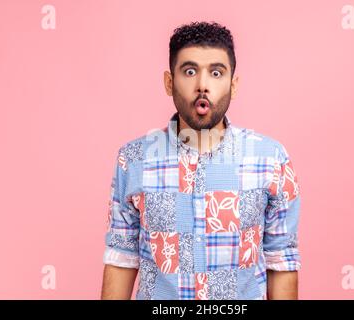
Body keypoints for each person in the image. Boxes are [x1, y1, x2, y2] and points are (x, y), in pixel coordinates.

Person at [101, 21, 301, 300]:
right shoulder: (133, 160)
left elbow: (281, 261)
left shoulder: (271, 159)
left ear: (233, 84)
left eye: (216, 73)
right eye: (190, 71)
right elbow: (122, 257)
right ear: (169, 83)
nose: (202, 85)